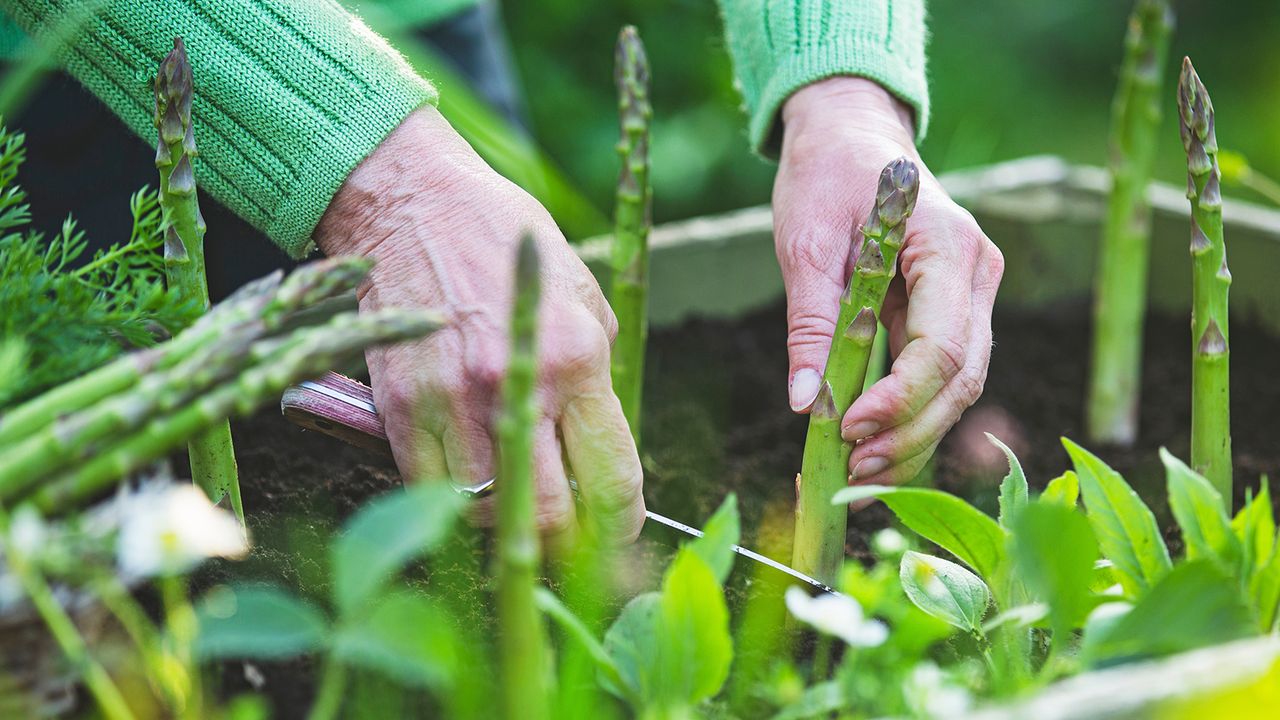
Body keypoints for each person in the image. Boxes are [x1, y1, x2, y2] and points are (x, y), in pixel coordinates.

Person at [0, 1, 1002, 547]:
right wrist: (387, 188)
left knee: (499, 432)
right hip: (76, 73)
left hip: (416, 41)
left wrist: (839, 81)